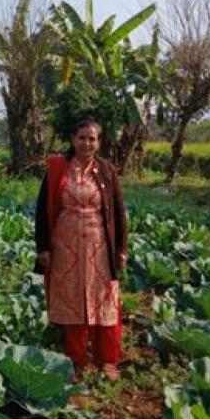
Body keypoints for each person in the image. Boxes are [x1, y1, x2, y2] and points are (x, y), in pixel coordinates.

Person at [34, 119, 128, 381]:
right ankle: (76, 360)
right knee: (73, 301)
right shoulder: (57, 169)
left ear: (99, 142)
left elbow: (119, 212)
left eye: (93, 139)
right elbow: (42, 211)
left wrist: (121, 248)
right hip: (66, 246)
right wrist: (43, 247)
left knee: (105, 300)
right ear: (72, 139)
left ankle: (107, 360)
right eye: (82, 138)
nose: (87, 143)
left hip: (100, 246)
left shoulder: (107, 171)